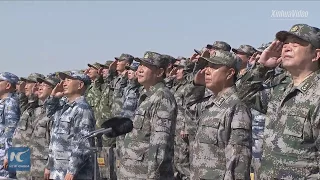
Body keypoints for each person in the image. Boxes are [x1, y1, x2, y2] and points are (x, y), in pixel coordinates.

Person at [190, 50, 252, 179]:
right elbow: (187, 110)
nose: (206, 71)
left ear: (230, 73)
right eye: (207, 66)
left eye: (214, 67)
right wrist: (196, 85)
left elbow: (238, 162)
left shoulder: (236, 107)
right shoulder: (211, 103)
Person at [119, 51, 177, 179]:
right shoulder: (147, 96)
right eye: (140, 65)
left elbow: (159, 145)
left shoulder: (162, 97)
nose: (139, 69)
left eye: (146, 66)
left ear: (159, 72)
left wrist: (153, 176)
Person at [45, 70, 95, 180]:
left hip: (74, 173)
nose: (64, 83)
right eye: (64, 80)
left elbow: (83, 143)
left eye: (69, 80)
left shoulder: (82, 109)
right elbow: (49, 113)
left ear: (80, 85)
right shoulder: (63, 107)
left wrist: (72, 171)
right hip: (57, 170)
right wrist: (53, 97)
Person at [0, 72, 20, 178]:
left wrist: (9, 155)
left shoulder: (11, 102)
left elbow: (12, 130)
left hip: (6, 155)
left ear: (7, 85)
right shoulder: (3, 102)